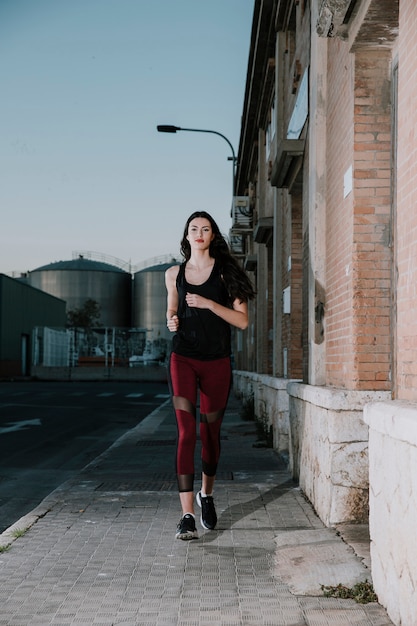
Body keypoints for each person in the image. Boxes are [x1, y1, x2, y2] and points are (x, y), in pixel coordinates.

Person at [165, 211, 255, 540]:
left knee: (211, 435)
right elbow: (172, 308)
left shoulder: (227, 274)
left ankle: (207, 495)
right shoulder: (174, 273)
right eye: (194, 229)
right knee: (186, 432)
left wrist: (208, 304)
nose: (199, 233)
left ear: (213, 235)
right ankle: (187, 515)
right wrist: (171, 319)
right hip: (183, 359)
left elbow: (242, 321)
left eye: (205, 228)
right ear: (186, 236)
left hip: (217, 361)